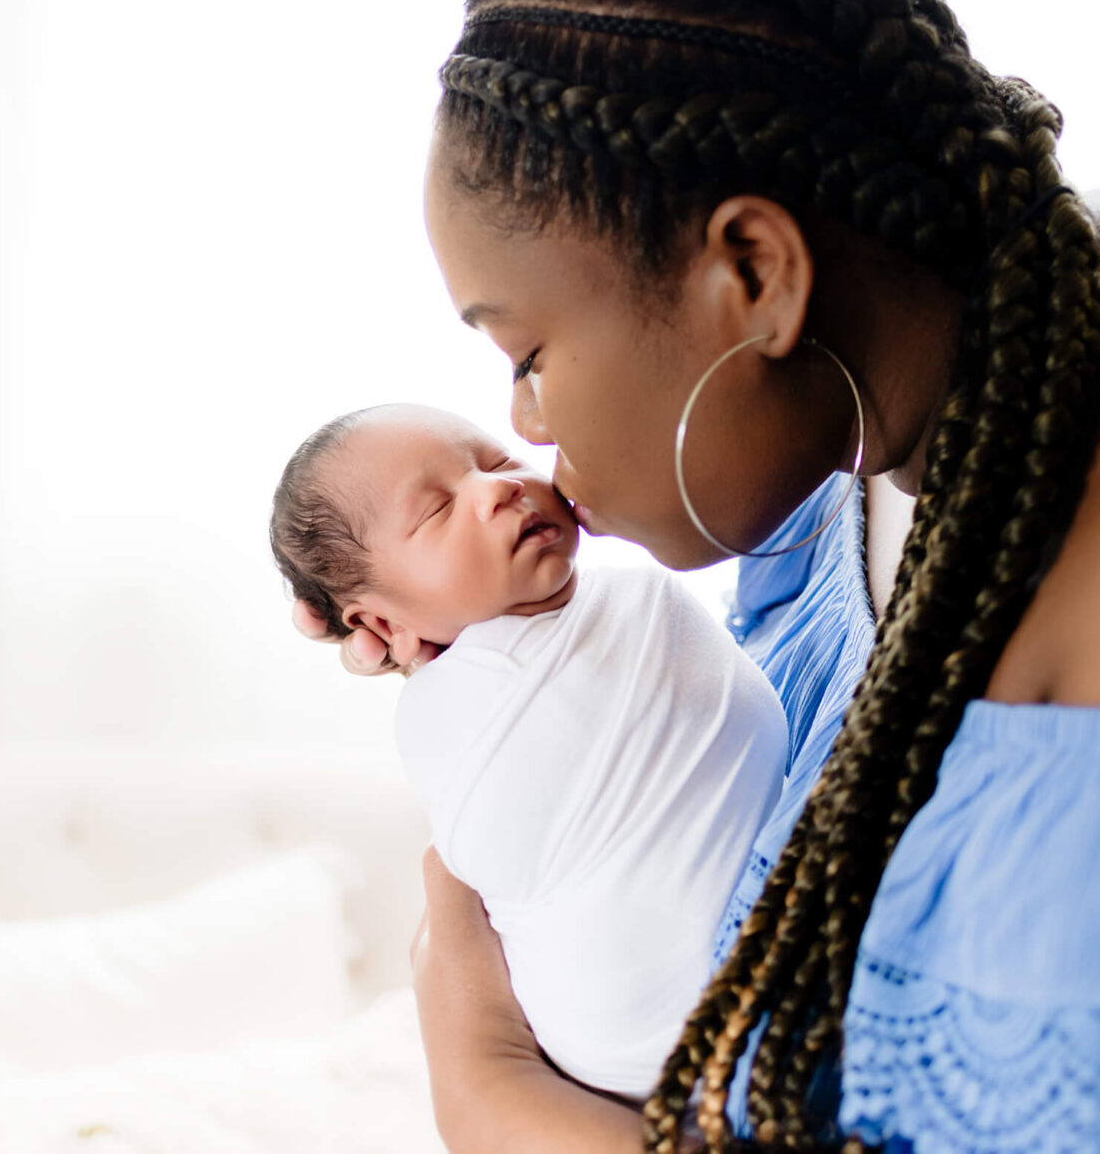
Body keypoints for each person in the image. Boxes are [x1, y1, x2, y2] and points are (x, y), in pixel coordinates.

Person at [293, 0, 1100, 1149]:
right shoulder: (901, 401)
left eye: (526, 354)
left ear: (754, 274)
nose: (531, 424)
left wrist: (487, 1081)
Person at [270, 403, 789, 1099]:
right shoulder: (445, 720)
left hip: (759, 992)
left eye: (496, 459)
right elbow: (490, 839)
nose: (498, 488)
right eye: (436, 511)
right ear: (381, 621)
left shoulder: (632, 600)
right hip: (646, 1057)